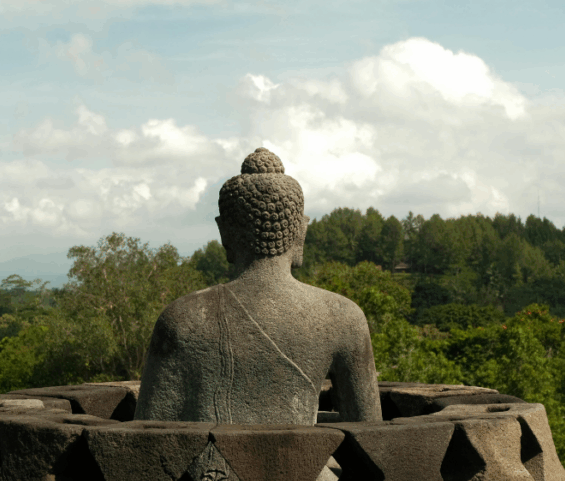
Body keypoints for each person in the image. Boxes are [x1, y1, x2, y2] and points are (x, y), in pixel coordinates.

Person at [135, 148, 382, 424]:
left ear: (225, 232)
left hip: (210, 456)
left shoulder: (182, 319)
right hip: (303, 455)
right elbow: (369, 434)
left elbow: (149, 434)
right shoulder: (343, 317)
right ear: (300, 231)